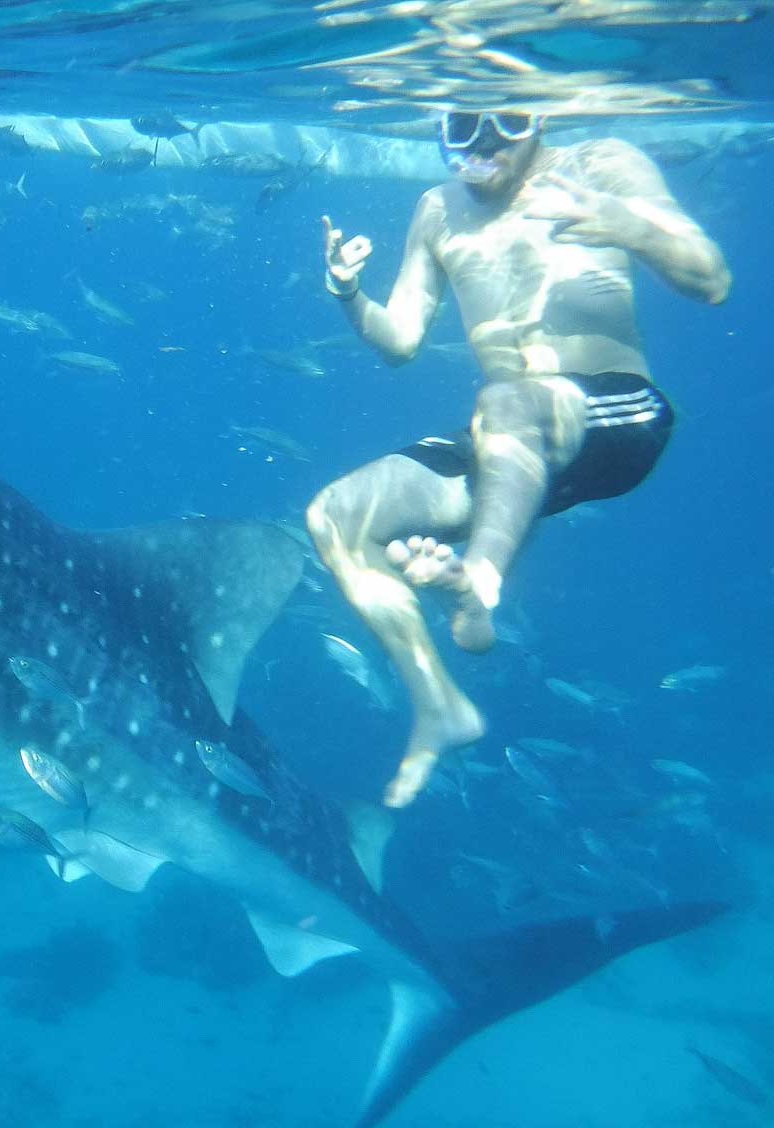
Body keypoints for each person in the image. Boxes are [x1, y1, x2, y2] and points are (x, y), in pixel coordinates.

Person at [307, 110, 730, 810]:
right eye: (464, 123)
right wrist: (348, 294)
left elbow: (710, 278)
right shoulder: (436, 209)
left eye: (507, 119)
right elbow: (402, 340)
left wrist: (629, 228)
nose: (485, 142)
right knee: (334, 516)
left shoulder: (601, 163)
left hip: (619, 415)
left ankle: (476, 582)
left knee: (506, 404)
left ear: (541, 118)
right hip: (508, 439)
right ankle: (437, 704)